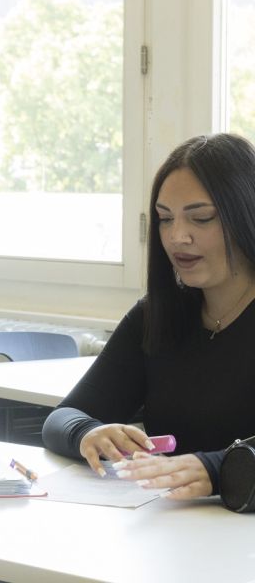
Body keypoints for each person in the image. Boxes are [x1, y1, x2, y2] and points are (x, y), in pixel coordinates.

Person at [42, 132, 255, 501]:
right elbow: (62, 419)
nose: (177, 237)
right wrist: (87, 433)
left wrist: (216, 468)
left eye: (200, 218)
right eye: (164, 219)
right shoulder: (156, 315)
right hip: (172, 532)